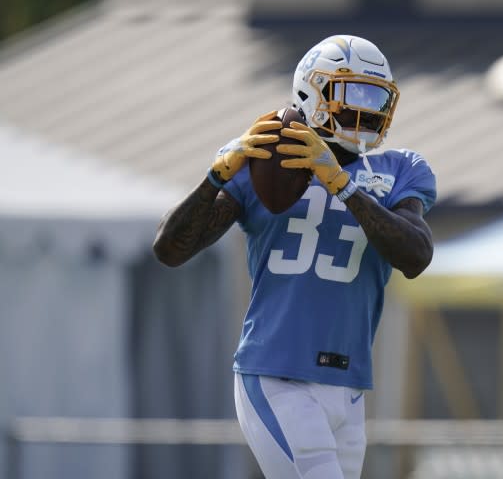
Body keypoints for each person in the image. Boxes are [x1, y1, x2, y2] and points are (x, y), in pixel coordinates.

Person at [153, 35, 436, 479]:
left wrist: (341, 182)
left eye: (375, 97)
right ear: (313, 91)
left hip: (349, 384)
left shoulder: (400, 168)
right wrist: (213, 178)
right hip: (276, 373)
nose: (367, 110)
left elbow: (416, 255)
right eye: (353, 93)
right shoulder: (266, 159)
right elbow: (170, 249)